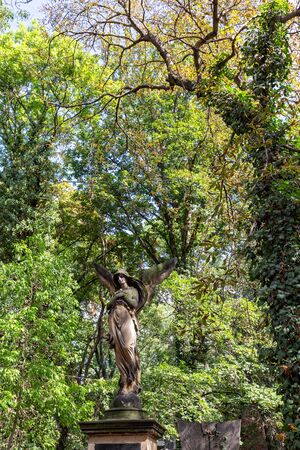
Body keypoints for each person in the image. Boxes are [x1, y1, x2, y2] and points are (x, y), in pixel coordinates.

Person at [107, 270, 144, 395]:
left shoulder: (133, 290)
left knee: (127, 346)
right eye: (117, 277)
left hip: (126, 317)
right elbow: (108, 305)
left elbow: (134, 303)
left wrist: (122, 296)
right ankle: (124, 380)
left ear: (126, 278)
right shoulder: (117, 293)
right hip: (114, 318)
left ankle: (132, 378)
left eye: (122, 276)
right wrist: (117, 296)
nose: (119, 279)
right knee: (119, 350)